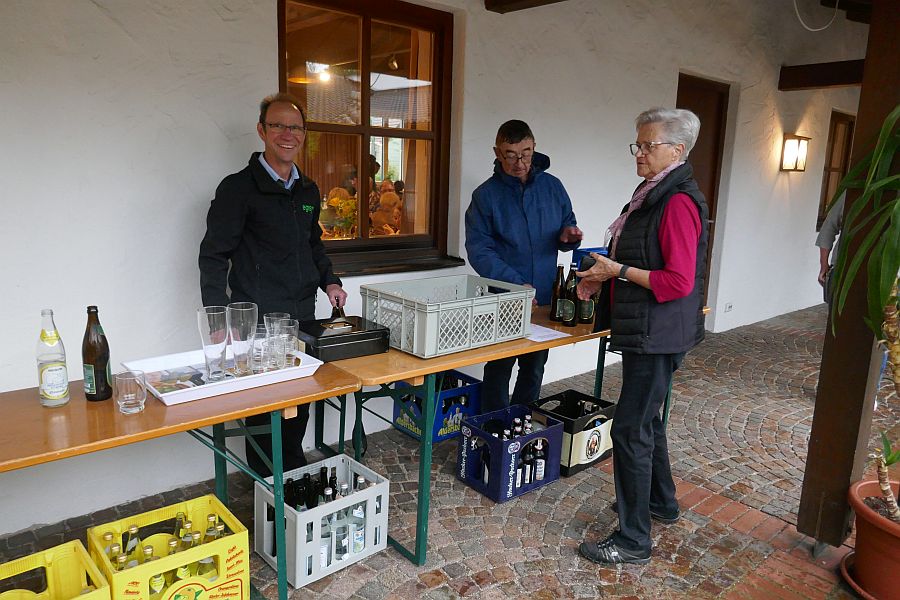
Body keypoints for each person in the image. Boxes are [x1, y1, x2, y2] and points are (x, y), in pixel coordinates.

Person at [575, 108, 708, 564]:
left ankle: (634, 539)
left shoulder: (677, 203)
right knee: (646, 419)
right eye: (638, 144)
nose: (639, 153)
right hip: (646, 329)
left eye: (648, 145)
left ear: (678, 151)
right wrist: (603, 275)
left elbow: (677, 282)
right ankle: (661, 502)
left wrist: (619, 271)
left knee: (631, 428)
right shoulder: (651, 193)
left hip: (659, 333)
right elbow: (638, 257)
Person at [198, 92, 348, 477]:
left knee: (298, 405)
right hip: (258, 325)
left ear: (303, 135)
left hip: (303, 318)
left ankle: (292, 478)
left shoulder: (308, 191)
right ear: (262, 130)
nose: (287, 134)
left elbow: (312, 244)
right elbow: (214, 256)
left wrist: (330, 281)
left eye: (295, 127)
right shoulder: (238, 189)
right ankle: (270, 489)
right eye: (278, 125)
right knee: (264, 414)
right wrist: (219, 319)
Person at [465, 119, 583, 414]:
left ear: (534, 148)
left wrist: (569, 237)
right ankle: (494, 425)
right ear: (497, 152)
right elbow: (479, 250)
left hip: (543, 295)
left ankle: (521, 421)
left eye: (526, 153)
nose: (520, 162)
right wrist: (515, 283)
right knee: (500, 366)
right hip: (503, 297)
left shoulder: (553, 186)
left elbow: (566, 224)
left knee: (534, 365)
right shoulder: (485, 196)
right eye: (510, 154)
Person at [816, 192, 845, 304]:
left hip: (841, 266)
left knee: (836, 318)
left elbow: (828, 228)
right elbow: (828, 229)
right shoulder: (851, 192)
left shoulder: (852, 191)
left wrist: (824, 267)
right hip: (884, 271)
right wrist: (824, 266)